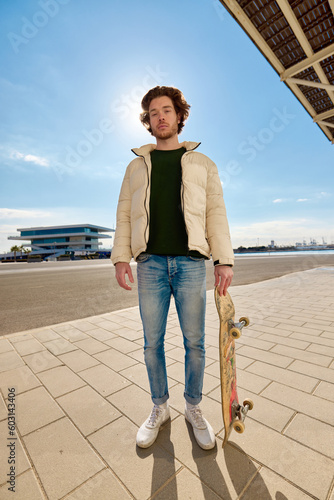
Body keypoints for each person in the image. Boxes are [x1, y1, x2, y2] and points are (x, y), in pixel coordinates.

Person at [111, 86, 234, 450]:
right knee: (152, 344)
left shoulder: (203, 164)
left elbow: (216, 213)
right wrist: (121, 257)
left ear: (180, 115)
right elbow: (123, 213)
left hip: (192, 263)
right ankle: (159, 407)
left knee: (195, 343)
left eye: (167, 109)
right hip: (149, 263)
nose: (160, 116)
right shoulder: (136, 166)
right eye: (153, 112)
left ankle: (193, 408)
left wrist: (223, 259)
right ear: (148, 121)